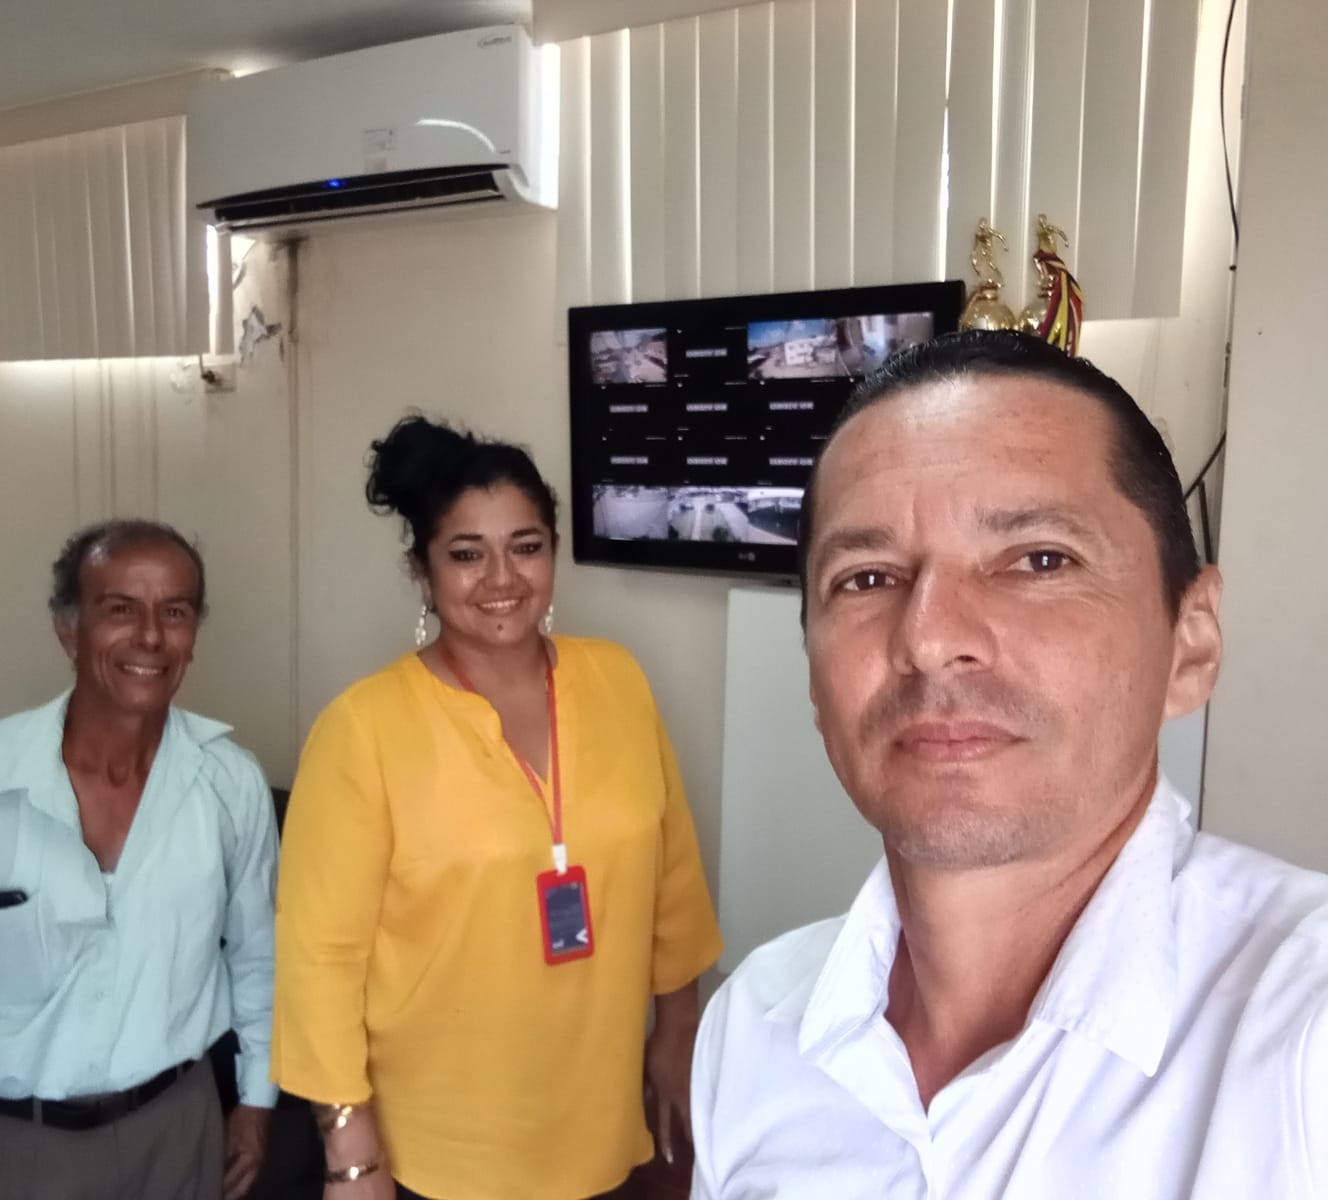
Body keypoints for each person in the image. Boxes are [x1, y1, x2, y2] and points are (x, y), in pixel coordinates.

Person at [690, 330, 1328, 1197]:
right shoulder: (753, 1027)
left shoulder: (1298, 1038)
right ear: (812, 671)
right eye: (867, 578)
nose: (929, 639)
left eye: (1038, 560)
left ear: (1191, 640)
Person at [273, 415, 723, 1200]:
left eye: (525, 546)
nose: (501, 578)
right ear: (422, 571)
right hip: (437, 1146)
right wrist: (349, 1147)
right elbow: (320, 958)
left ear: (553, 551)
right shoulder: (363, 728)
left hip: (596, 1118)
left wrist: (678, 1026)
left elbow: (673, 874)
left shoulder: (617, 679)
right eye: (466, 554)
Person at [0, 519, 279, 1200]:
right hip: (21, 1146)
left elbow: (258, 955)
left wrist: (256, 1097)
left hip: (180, 1130)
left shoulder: (230, 783)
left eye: (175, 612)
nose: (151, 636)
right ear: (68, 630)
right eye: (120, 609)